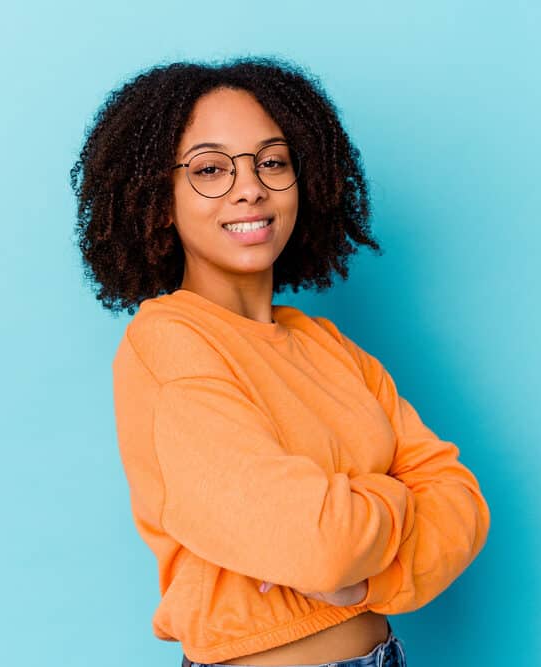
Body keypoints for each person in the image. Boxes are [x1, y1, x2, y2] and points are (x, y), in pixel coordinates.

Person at [70, 56, 491, 667]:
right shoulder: (168, 343)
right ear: (159, 201)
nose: (250, 188)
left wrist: (365, 574)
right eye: (210, 168)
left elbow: (461, 500)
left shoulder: (329, 346)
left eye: (272, 161)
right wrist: (395, 496)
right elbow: (321, 546)